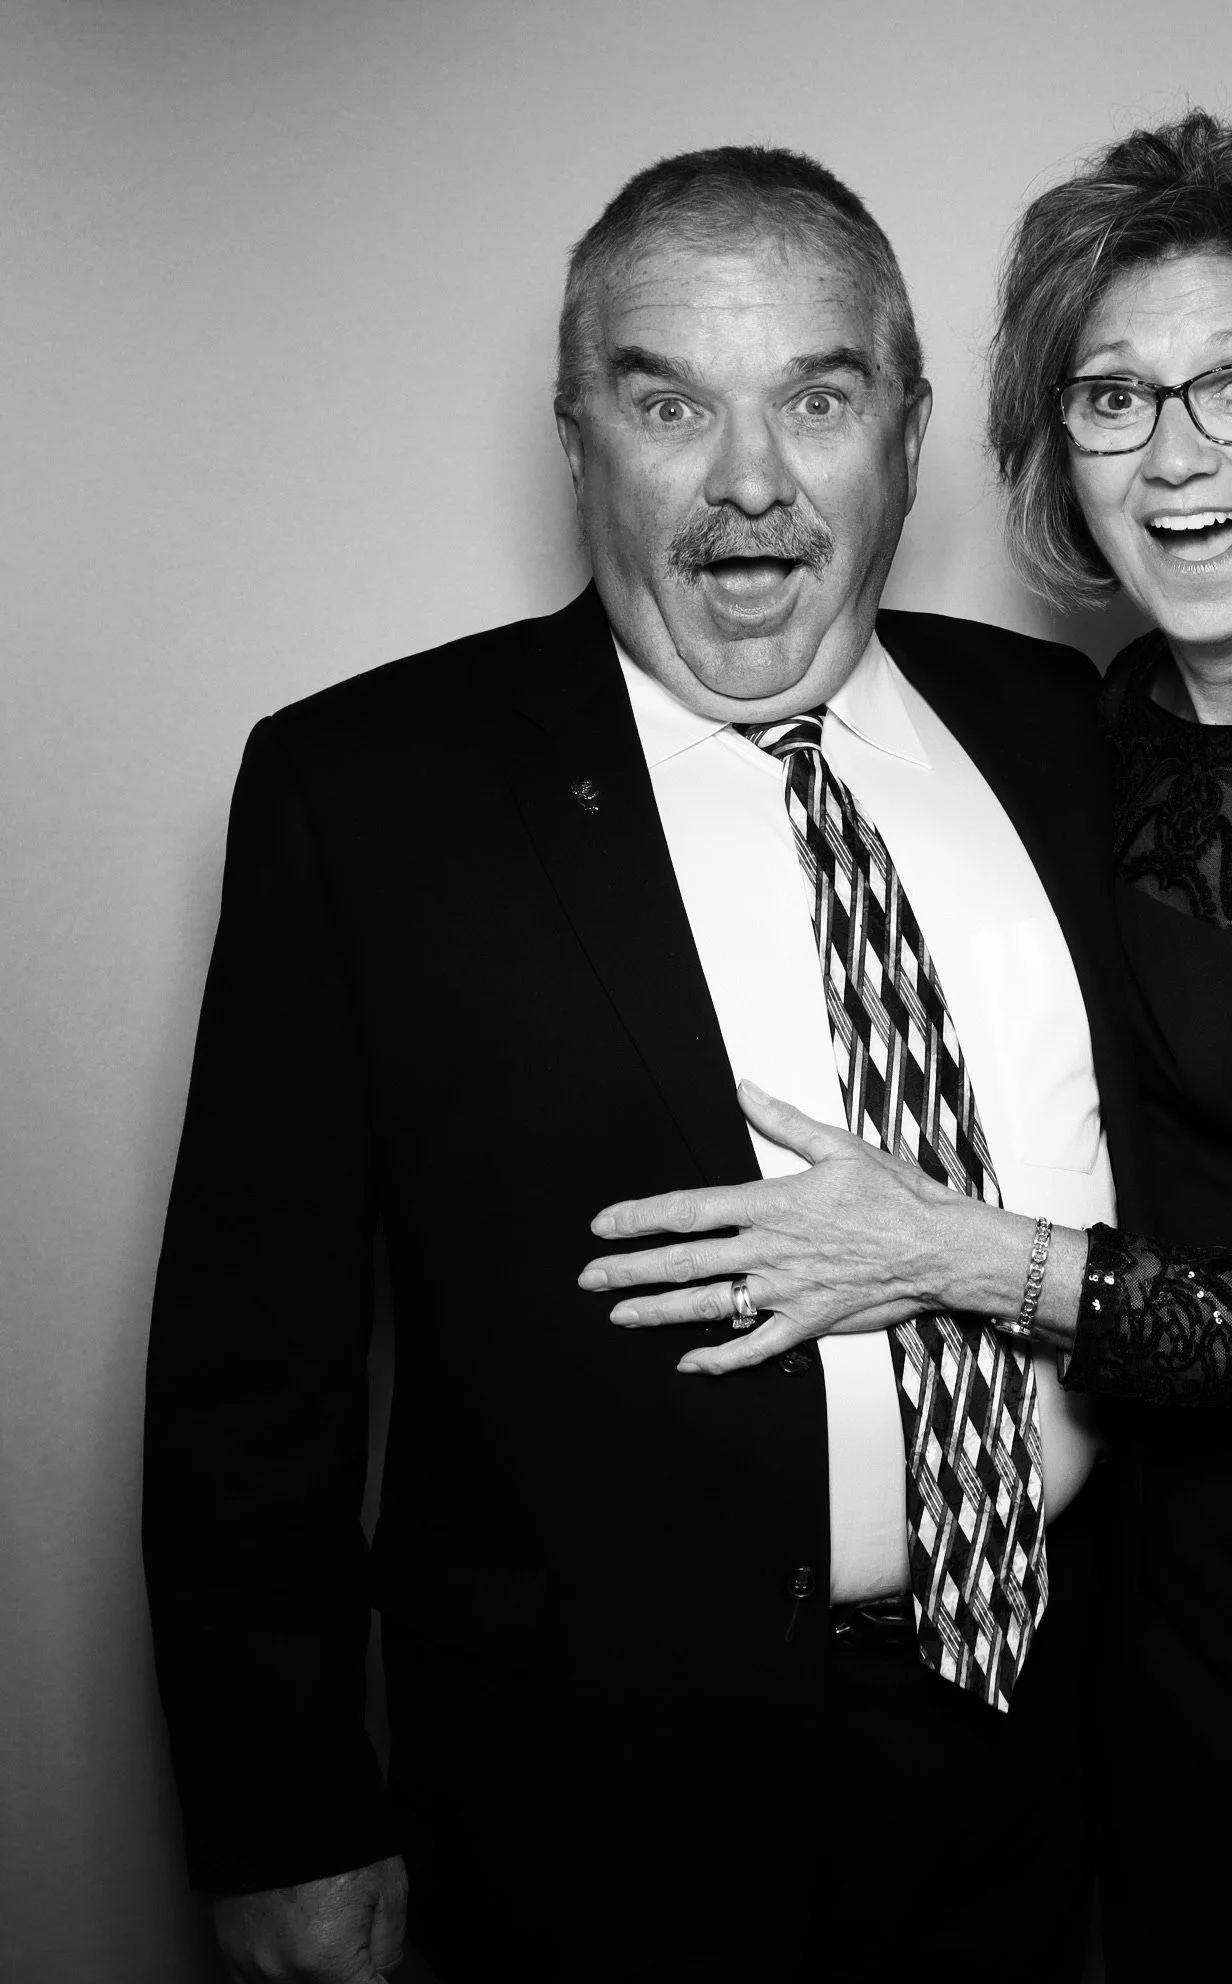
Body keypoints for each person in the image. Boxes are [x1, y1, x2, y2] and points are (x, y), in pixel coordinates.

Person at [584, 114, 1232, 1981]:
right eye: (1113, 398)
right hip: (1163, 1559)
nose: (1180, 457)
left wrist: (958, 1259)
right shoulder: (1108, 717)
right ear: (1052, 450)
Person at [144, 144, 1142, 1984]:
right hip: (592, 1810)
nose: (749, 482)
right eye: (667, 398)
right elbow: (246, 1374)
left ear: (906, 436)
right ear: (576, 432)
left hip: (1040, 1743)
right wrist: (284, 1815)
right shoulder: (364, 795)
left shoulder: (1071, 731)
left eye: (816, 399)